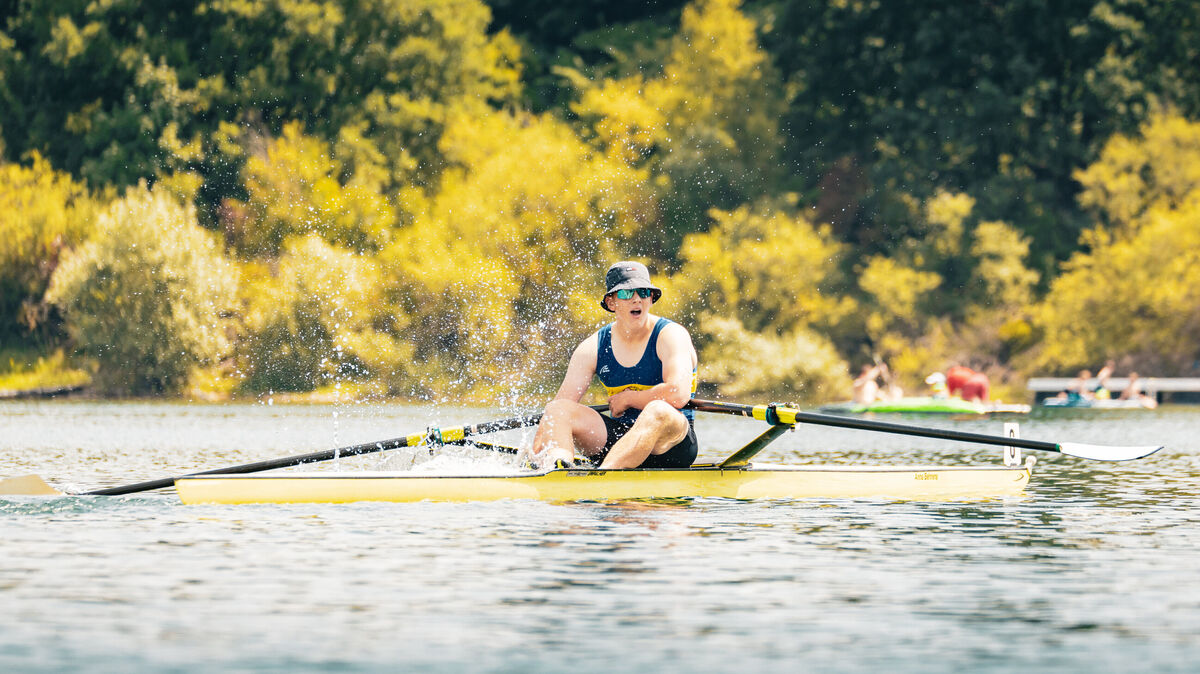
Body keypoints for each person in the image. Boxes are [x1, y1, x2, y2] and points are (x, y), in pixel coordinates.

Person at [528, 261, 699, 470]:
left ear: (651, 299)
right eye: (627, 293)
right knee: (558, 409)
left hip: (670, 445)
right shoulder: (592, 347)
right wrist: (535, 454)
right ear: (611, 303)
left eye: (643, 292)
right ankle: (555, 468)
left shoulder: (671, 335)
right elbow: (553, 416)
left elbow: (677, 394)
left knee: (658, 410)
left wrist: (629, 399)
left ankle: (605, 476)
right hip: (620, 438)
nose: (637, 299)